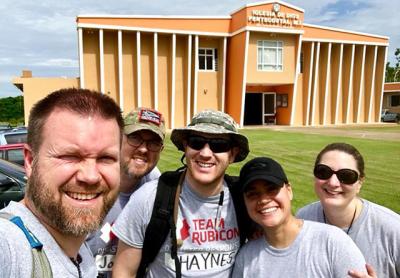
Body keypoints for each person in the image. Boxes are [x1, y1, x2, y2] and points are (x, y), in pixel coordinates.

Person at [0, 88, 124, 277]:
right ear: (30, 161)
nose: (90, 176)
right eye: (70, 156)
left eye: (106, 158)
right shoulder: (9, 246)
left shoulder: (80, 249)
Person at [112, 109, 250, 277]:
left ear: (233, 154)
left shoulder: (245, 199)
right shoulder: (149, 198)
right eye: (196, 142)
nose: (205, 153)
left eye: (219, 145)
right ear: (186, 147)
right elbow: (124, 272)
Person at [233, 157, 368, 277]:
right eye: (252, 194)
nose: (263, 200)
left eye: (271, 189)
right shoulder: (246, 257)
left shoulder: (332, 243)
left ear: (289, 191)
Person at [296, 142, 400, 278]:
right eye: (324, 172)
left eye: (346, 176)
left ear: (360, 183)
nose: (333, 183)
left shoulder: (394, 230)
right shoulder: (303, 218)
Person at [86, 107, 165, 277]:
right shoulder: (87, 186)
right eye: (135, 137)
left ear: (161, 150)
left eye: (153, 142)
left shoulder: (157, 191)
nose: (144, 149)